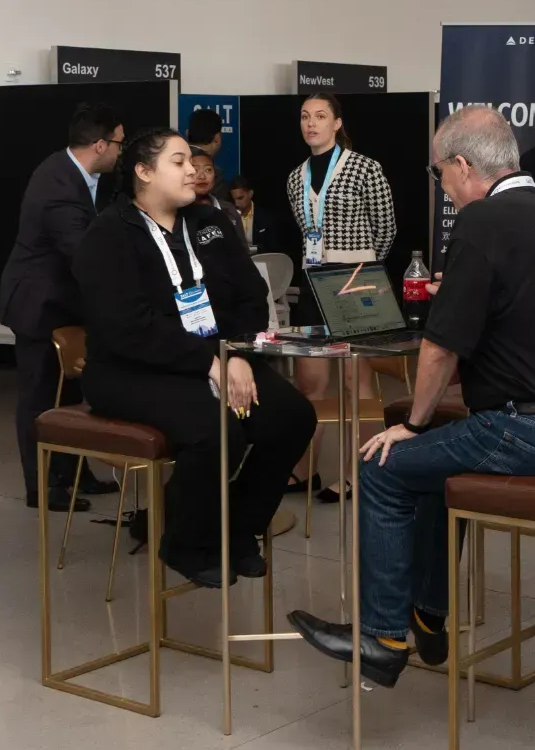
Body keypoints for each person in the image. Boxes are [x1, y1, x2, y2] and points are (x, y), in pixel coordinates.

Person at [286, 107, 535, 685]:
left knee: (386, 466)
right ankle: (427, 611)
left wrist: (411, 423)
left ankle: (382, 638)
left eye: (442, 174)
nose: (443, 188)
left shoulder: (483, 223)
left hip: (529, 431)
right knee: (436, 460)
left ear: (464, 166)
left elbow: (440, 348)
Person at [71, 129, 316, 587]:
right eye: (179, 162)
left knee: (292, 416)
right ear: (144, 172)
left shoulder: (211, 222)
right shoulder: (108, 235)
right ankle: (183, 540)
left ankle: (239, 529)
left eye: (193, 162)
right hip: (132, 370)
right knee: (216, 428)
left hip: (218, 356)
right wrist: (210, 364)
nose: (193, 171)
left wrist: (237, 354)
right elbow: (127, 327)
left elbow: (250, 295)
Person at [0, 102, 124, 510]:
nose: (122, 152)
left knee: (70, 394)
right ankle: (40, 487)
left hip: (64, 303)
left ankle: (74, 474)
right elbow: (80, 249)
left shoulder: (79, 174)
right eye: (119, 144)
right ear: (101, 145)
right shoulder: (57, 183)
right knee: (38, 398)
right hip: (38, 304)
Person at [284, 93, 397, 397]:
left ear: (336, 123)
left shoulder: (365, 168)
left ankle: (369, 446)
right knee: (311, 383)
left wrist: (365, 267)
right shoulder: (296, 178)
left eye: (320, 116)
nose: (311, 123)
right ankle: (311, 447)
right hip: (312, 279)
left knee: (354, 380)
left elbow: (386, 228)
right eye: (305, 116)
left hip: (357, 279)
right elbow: (305, 228)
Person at [191, 149, 245, 239]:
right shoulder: (176, 212)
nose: (202, 176)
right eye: (195, 170)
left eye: (208, 170)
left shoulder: (229, 210)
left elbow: (242, 250)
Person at [227, 174, 275, 253]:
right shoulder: (229, 216)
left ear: (250, 194)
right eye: (233, 199)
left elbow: (272, 246)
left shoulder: (265, 217)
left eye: (240, 198)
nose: (236, 203)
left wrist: (251, 250)